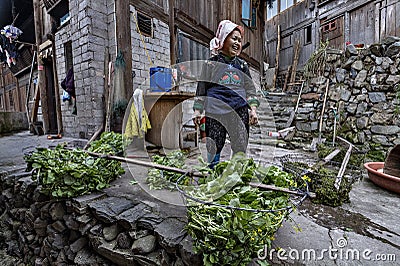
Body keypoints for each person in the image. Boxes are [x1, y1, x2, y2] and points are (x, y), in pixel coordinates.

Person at [193, 20, 259, 168]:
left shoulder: (243, 65)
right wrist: (198, 111)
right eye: (234, 38)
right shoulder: (210, 64)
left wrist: (253, 110)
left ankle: (235, 175)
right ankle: (213, 175)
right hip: (215, 109)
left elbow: (250, 89)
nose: (237, 43)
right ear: (223, 39)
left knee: (240, 144)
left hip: (239, 109)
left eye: (239, 40)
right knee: (214, 143)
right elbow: (201, 88)